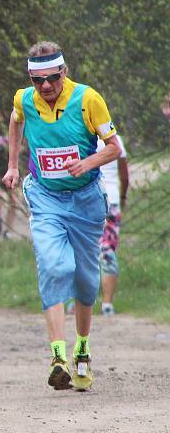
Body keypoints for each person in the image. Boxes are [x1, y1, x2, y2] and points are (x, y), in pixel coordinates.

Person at [2, 41, 121, 392]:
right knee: (56, 267)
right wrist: (12, 165)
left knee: (85, 280)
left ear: (63, 72)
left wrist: (87, 162)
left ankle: (82, 347)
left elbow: (114, 147)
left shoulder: (87, 100)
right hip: (45, 197)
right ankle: (58, 357)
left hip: (85, 201)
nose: (45, 87)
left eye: (52, 79)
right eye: (37, 81)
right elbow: (15, 121)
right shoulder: (24, 99)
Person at [98, 135, 129, 316]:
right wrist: (123, 196)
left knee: (83, 251)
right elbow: (124, 176)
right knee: (108, 251)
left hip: (88, 203)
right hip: (112, 201)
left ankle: (78, 302)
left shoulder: (80, 136)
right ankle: (107, 304)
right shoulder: (116, 139)